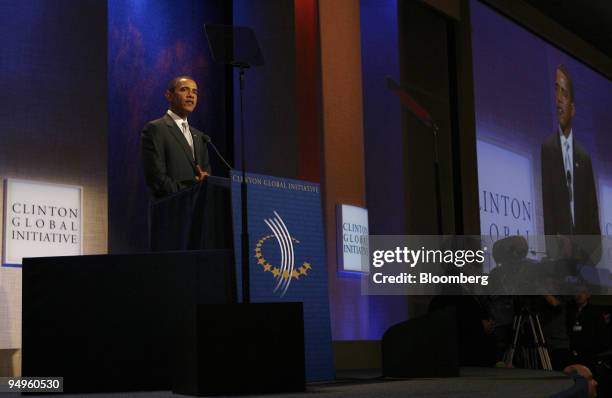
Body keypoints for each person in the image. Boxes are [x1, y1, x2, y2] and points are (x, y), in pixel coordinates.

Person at [541, 65, 600, 263]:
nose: (558, 98)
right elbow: (548, 213)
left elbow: (593, 219)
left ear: (573, 108)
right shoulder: (548, 149)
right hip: (559, 264)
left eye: (564, 93)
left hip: (585, 265)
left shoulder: (584, 158)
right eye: (555, 90)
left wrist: (590, 262)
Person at [142, 76, 211, 198]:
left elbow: (205, 176)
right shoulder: (156, 129)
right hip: (170, 210)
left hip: (198, 212)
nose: (191, 95)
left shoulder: (201, 137)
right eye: (184, 89)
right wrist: (190, 189)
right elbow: (156, 179)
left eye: (195, 91)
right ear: (169, 95)